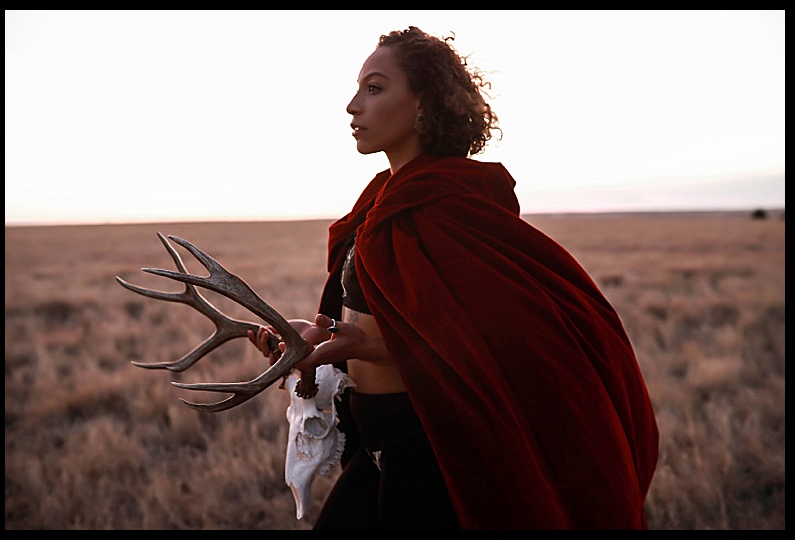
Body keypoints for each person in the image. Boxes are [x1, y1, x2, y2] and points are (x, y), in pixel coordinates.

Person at [248, 26, 659, 530]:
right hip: (377, 451)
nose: (353, 105)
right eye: (358, 88)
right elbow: (382, 322)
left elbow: (457, 341)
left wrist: (342, 343)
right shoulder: (380, 204)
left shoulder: (447, 210)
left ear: (425, 104)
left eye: (375, 88)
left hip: (432, 453)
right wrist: (309, 335)